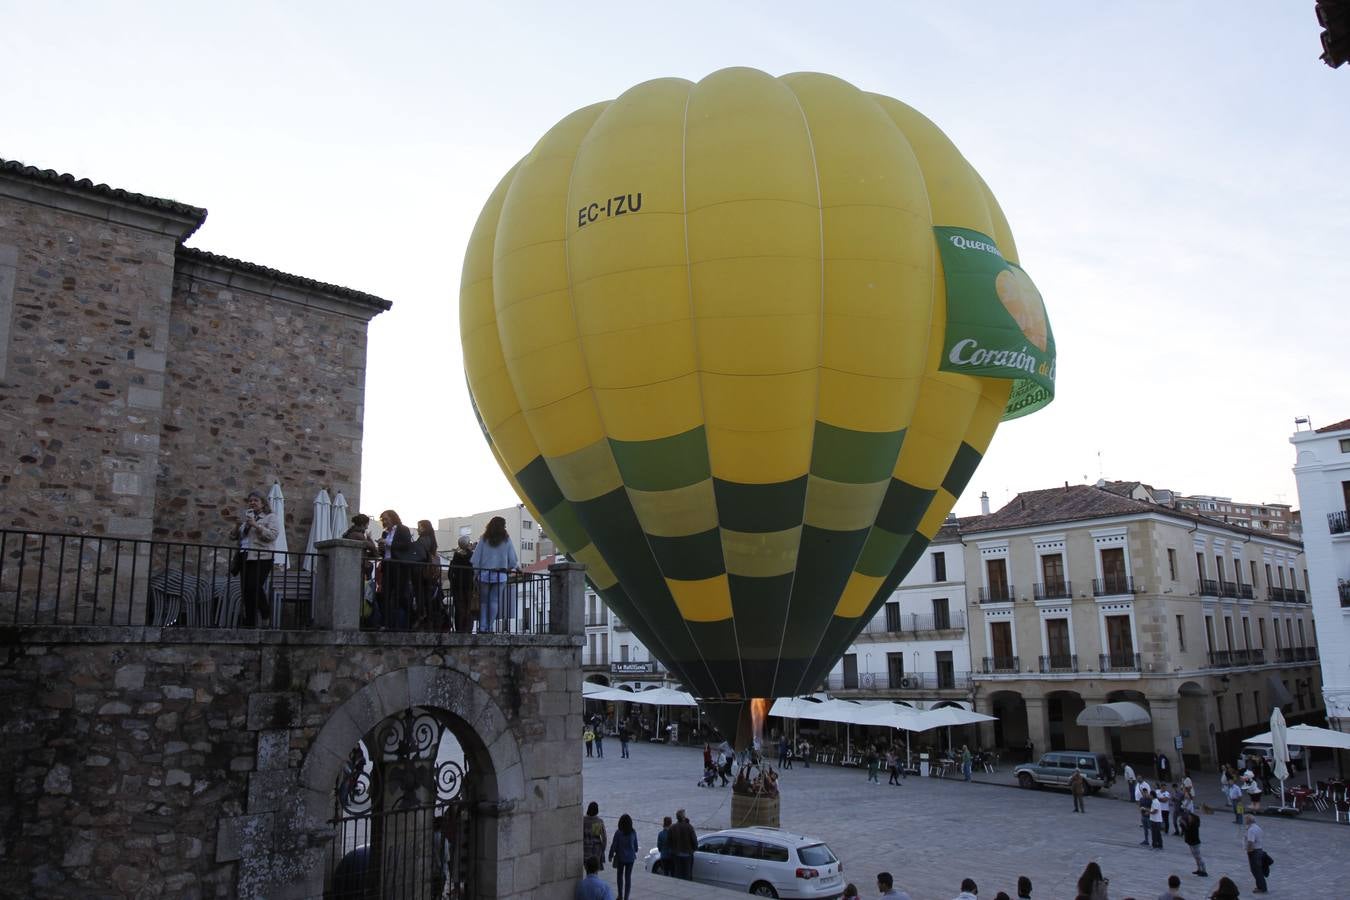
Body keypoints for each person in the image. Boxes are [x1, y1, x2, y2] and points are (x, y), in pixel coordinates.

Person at [234, 489, 281, 626]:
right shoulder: (248, 518)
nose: (252, 503)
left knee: (254, 586)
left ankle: (265, 612)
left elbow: (272, 536)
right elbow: (235, 537)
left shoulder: (270, 517)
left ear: (263, 503)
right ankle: (249, 622)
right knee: (247, 591)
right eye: (250, 501)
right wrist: (237, 526)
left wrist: (256, 525)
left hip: (262, 557)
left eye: (255, 500)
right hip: (245, 557)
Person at [470, 515, 518, 632]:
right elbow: (513, 560)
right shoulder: (507, 540)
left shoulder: (484, 539)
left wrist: (476, 573)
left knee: (484, 602)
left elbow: (475, 559)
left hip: (484, 574)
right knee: (494, 601)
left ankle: (482, 626)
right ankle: (490, 626)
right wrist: (509, 567)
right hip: (500, 575)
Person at [377, 510, 415, 629]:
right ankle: (386, 624)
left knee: (400, 595)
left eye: (386, 519)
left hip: (399, 567)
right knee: (385, 594)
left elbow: (406, 545)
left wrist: (388, 543)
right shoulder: (385, 533)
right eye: (383, 520)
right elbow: (385, 551)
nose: (385, 521)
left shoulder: (403, 529)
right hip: (387, 565)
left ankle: (407, 623)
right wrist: (381, 547)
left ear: (393, 518)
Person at [412, 519, 441, 628]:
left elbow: (421, 554)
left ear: (424, 527)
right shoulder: (431, 539)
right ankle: (429, 619)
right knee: (427, 595)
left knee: (421, 594)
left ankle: (422, 616)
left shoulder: (423, 539)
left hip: (422, 570)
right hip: (429, 571)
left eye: (419, 526)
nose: (417, 528)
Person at [448, 535, 476, 632]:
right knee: (468, 607)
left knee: (459, 608)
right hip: (469, 585)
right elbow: (474, 571)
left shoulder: (456, 556)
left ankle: (459, 629)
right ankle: (467, 628)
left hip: (457, 586)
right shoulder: (472, 556)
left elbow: (450, 573)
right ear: (468, 544)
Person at [607, 813, 638, 900]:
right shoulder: (633, 832)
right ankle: (626, 897)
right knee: (628, 877)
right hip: (631, 858)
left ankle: (620, 895)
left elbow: (614, 845)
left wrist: (610, 855)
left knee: (619, 876)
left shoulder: (618, 833)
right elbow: (636, 847)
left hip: (621, 858)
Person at [667, 808, 696, 880]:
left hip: (676, 854)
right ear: (683, 817)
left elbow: (668, 842)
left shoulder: (672, 828)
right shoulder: (689, 827)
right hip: (687, 854)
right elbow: (694, 841)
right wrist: (693, 849)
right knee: (687, 874)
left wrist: (673, 850)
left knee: (678, 874)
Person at [1243, 814, 1268, 893]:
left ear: (1248, 820)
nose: (1245, 821)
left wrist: (1249, 851)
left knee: (1256, 870)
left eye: (1246, 820)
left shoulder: (1251, 830)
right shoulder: (1257, 827)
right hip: (1259, 850)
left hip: (1254, 851)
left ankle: (1261, 888)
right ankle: (1261, 886)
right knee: (1258, 870)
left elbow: (1251, 842)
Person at [1181, 808, 1208, 877]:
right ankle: (1199, 869)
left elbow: (1189, 831)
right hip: (1191, 842)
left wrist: (1185, 825)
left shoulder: (1194, 826)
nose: (1188, 818)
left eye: (1189, 817)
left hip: (1195, 843)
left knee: (1198, 857)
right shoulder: (1191, 824)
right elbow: (1185, 830)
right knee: (1196, 857)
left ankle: (1204, 871)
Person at [582, 801, 606, 873]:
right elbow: (604, 838)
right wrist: (603, 850)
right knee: (595, 872)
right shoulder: (598, 821)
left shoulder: (583, 820)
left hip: (585, 849)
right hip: (596, 850)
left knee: (588, 870)